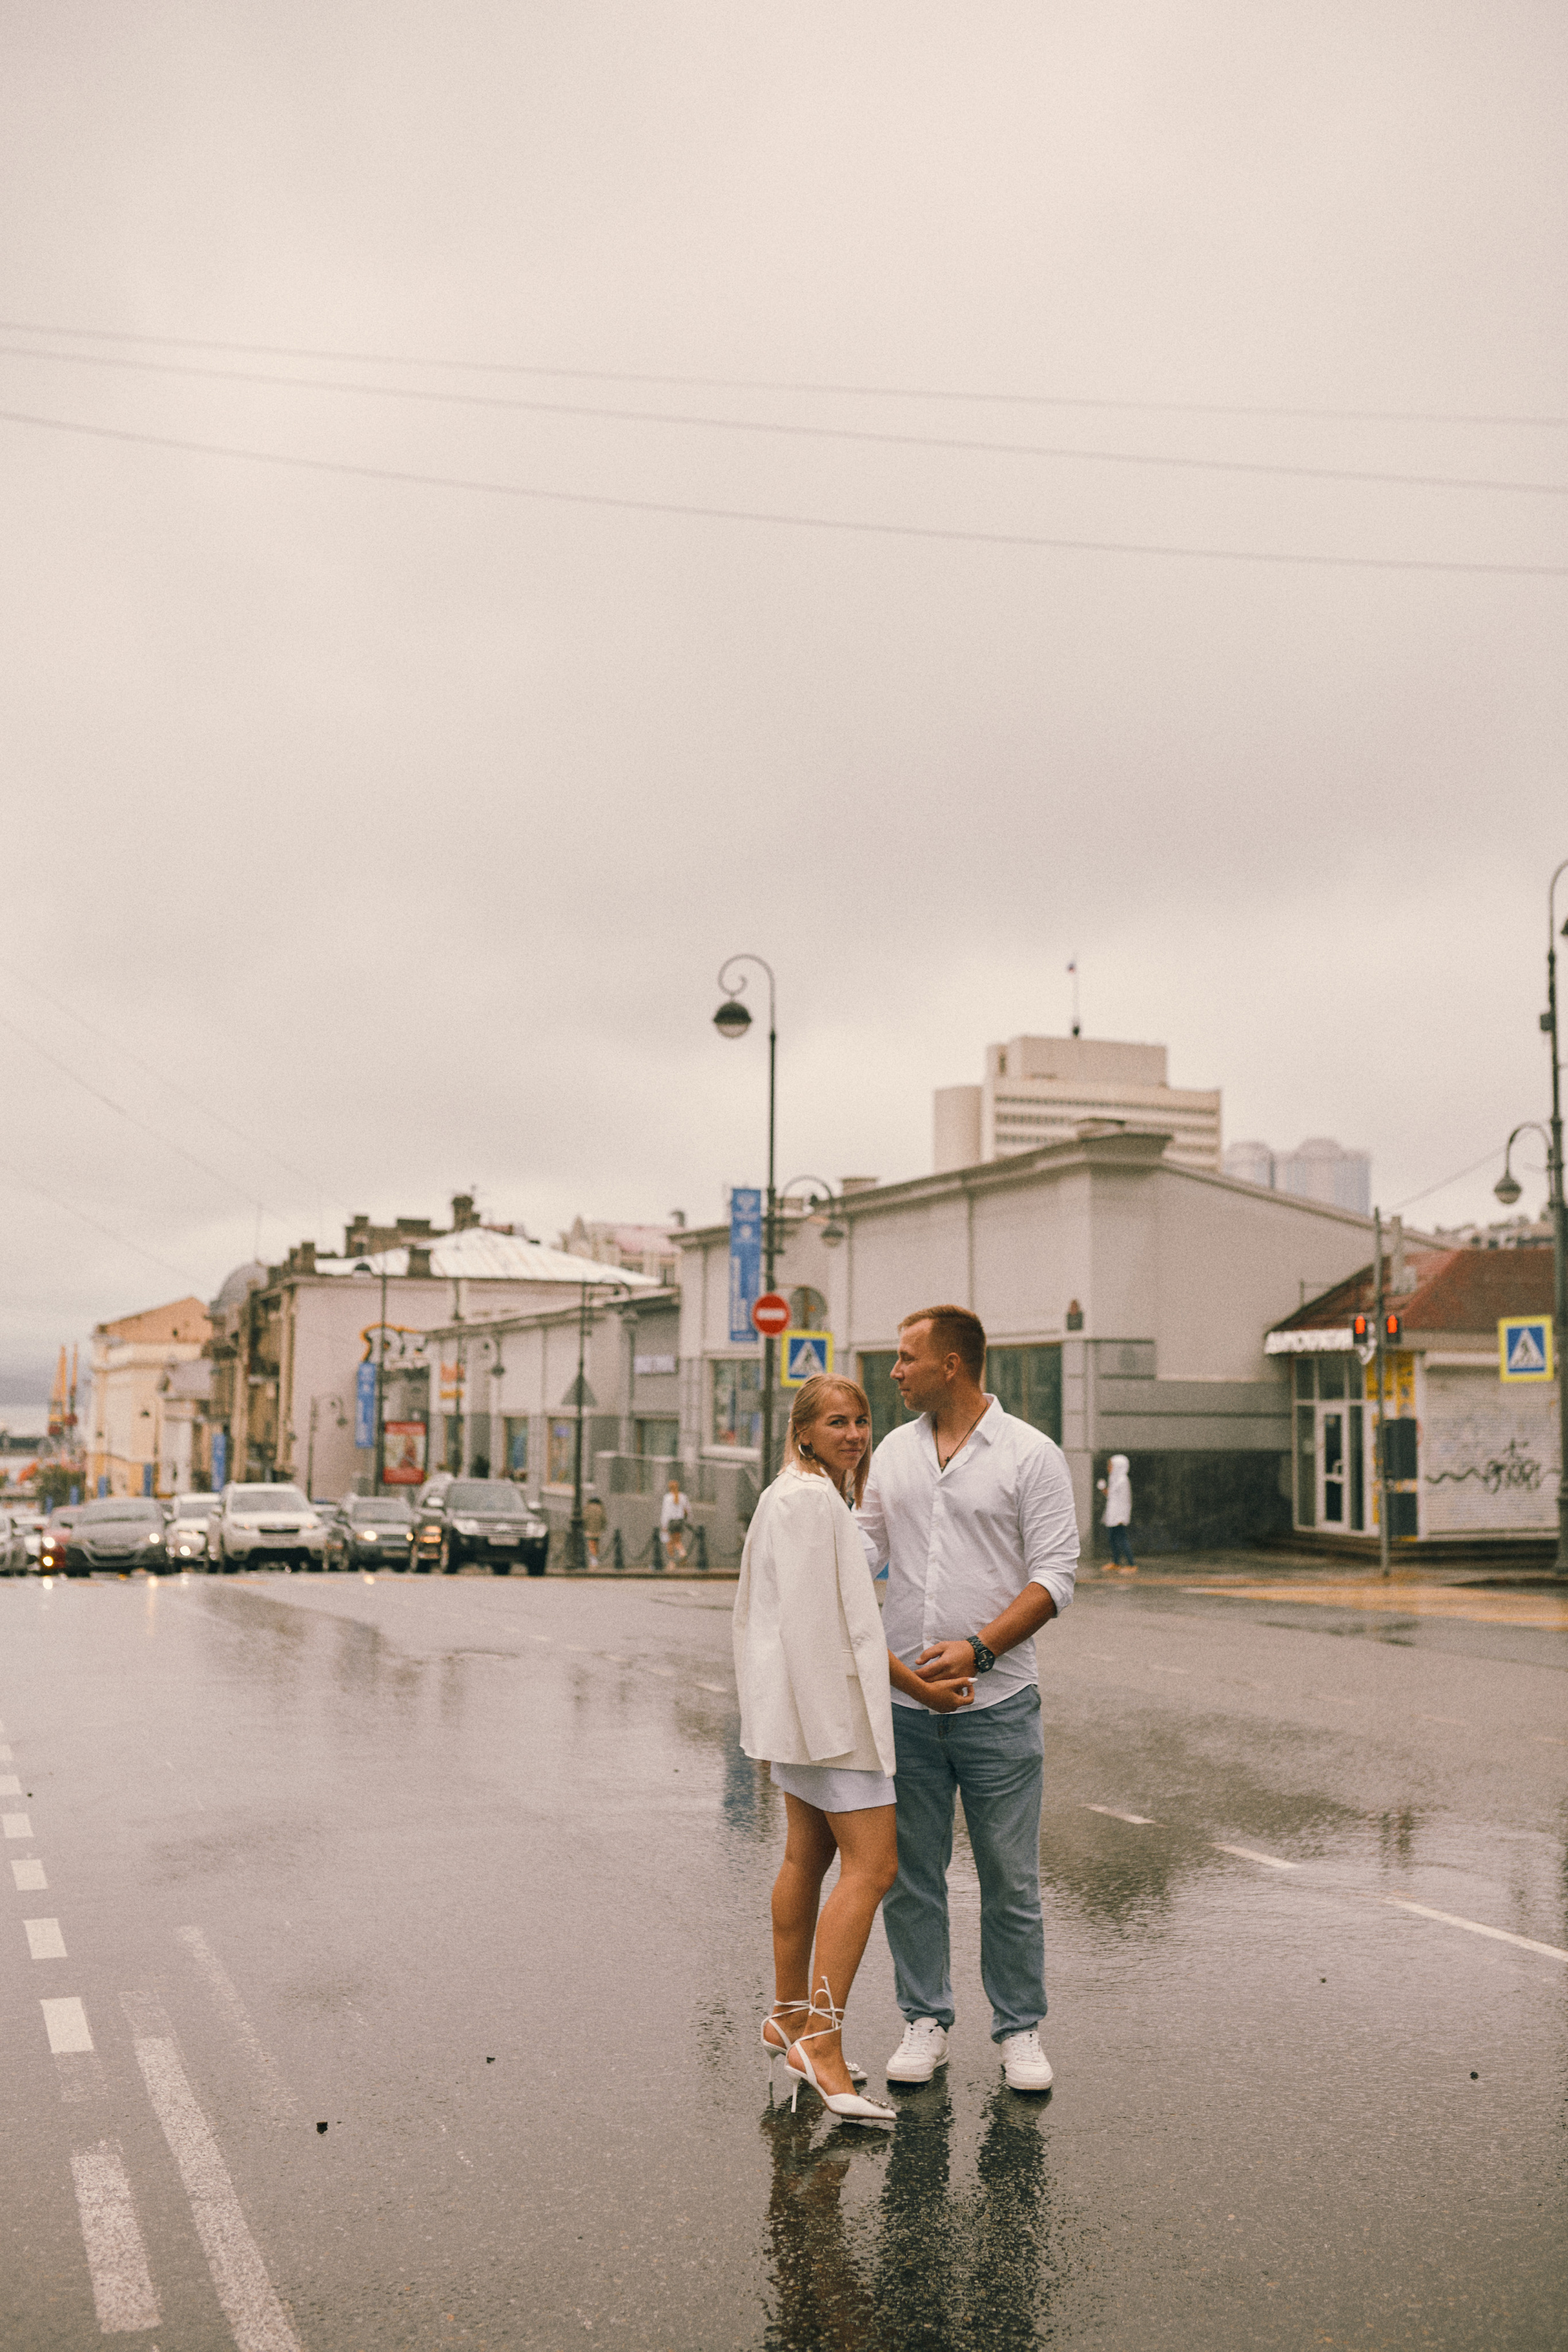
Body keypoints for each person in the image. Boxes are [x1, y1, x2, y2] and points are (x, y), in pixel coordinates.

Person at [733, 1374, 976, 2128]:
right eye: (836, 1422)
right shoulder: (811, 1503)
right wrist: (922, 1689)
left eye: (862, 1420)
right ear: (803, 1432)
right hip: (831, 1718)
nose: (855, 1434)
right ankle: (822, 2043)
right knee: (874, 1868)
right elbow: (840, 1630)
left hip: (801, 1712)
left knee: (806, 1858)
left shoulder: (790, 1494)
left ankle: (787, 2017)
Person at [857, 1305, 1078, 2095]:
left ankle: (1019, 2030)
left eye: (906, 1357)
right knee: (911, 1875)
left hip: (1000, 1704)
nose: (894, 1372)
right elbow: (863, 1547)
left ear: (950, 1365)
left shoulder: (1030, 1455)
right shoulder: (893, 1451)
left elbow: (1054, 1576)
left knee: (1009, 1881)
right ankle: (925, 2020)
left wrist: (980, 1648)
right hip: (906, 1707)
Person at [1097, 1453, 1136, 1571]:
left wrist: (1122, 1517)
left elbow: (1125, 1500)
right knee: (1112, 1539)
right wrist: (1103, 1489)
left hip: (1119, 1516)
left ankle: (1131, 1564)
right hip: (1112, 1515)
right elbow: (1112, 1495)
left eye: (1111, 1465)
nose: (1109, 1468)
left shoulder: (1123, 1480)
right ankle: (1116, 1562)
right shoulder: (1114, 1479)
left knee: (1122, 1539)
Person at [660, 1477, 690, 1567]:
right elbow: (687, 1510)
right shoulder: (683, 1497)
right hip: (680, 1521)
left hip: (671, 1522)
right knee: (677, 1541)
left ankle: (672, 1562)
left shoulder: (667, 1498)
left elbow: (666, 1512)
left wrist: (664, 1525)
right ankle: (682, 1553)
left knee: (669, 1542)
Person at [582, 1487, 606, 1567]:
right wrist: (602, 1528)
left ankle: (593, 1559)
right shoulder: (600, 1508)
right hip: (598, 1530)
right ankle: (595, 1558)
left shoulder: (588, 1508)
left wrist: (585, 1527)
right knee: (596, 1544)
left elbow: (585, 1518)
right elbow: (604, 1519)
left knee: (591, 1543)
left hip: (589, 1530)